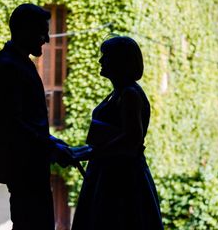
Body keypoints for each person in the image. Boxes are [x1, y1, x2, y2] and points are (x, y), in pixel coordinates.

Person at [0, 3, 73, 230]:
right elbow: (14, 124)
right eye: (42, 32)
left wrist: (53, 143)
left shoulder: (15, 62)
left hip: (26, 165)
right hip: (24, 167)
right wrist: (53, 147)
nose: (46, 38)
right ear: (25, 30)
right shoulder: (9, 65)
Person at [70, 36, 164, 230]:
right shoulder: (120, 93)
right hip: (111, 173)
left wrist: (90, 153)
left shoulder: (130, 94)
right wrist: (81, 151)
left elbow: (132, 139)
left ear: (120, 61)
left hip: (121, 179)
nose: (101, 61)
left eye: (106, 56)